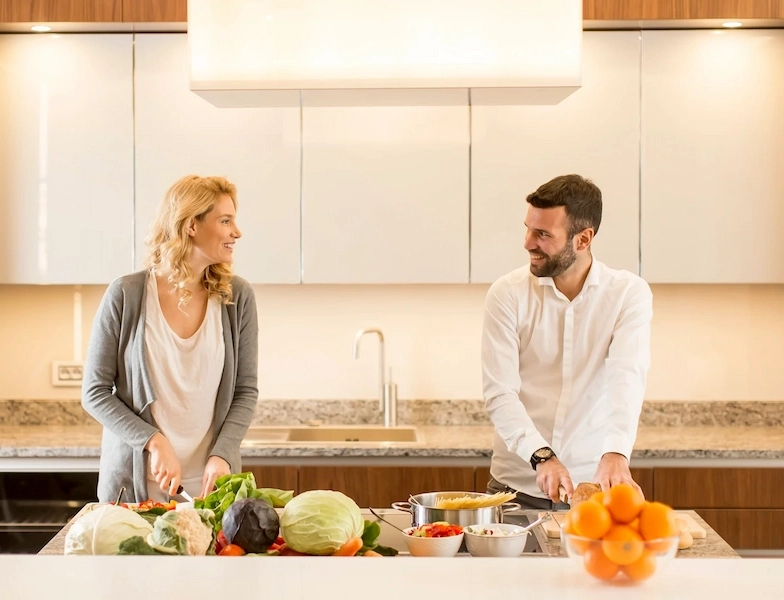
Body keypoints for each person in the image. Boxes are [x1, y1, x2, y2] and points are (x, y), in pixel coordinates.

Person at [82, 175, 258, 503]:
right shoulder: (126, 294)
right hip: (137, 489)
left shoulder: (237, 297)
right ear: (192, 225)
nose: (237, 232)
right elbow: (94, 392)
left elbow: (245, 392)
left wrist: (223, 453)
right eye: (225, 220)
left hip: (211, 490)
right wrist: (153, 441)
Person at [481, 174, 652, 511]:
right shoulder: (507, 293)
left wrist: (616, 452)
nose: (528, 242)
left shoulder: (627, 295)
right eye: (529, 228)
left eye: (543, 234)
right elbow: (500, 392)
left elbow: (626, 378)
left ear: (583, 239)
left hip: (589, 492)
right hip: (513, 490)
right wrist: (541, 456)